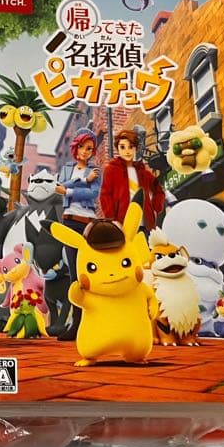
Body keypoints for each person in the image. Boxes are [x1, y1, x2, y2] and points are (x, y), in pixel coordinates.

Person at [54, 128, 101, 338]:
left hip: (89, 224)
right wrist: (82, 181)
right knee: (74, 274)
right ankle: (77, 323)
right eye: (82, 147)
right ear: (75, 147)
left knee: (90, 272)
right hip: (70, 222)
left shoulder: (95, 170)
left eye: (89, 148)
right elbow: (58, 187)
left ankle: (94, 322)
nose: (85, 152)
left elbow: (93, 193)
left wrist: (70, 191)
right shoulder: (67, 169)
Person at [99, 128, 165, 230]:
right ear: (118, 149)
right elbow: (105, 195)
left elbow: (159, 191)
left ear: (135, 148)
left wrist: (155, 209)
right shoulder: (111, 170)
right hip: (123, 224)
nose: (127, 151)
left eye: (131, 147)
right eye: (122, 147)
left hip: (145, 224)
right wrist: (112, 219)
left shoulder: (144, 173)